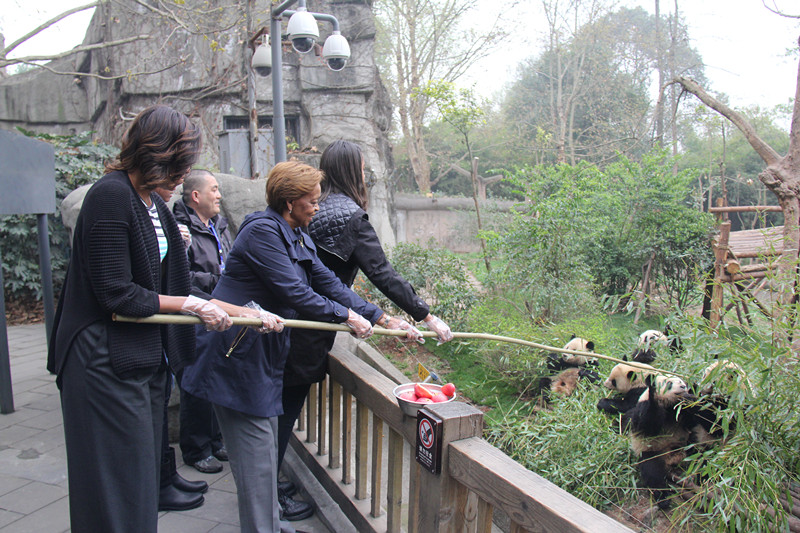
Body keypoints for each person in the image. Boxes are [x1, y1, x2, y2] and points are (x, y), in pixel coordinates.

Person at [47, 104, 279, 533]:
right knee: (114, 485)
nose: (182, 175)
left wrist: (241, 312)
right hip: (101, 359)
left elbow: (176, 286)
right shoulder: (111, 195)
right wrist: (193, 308)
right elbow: (117, 293)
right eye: (178, 165)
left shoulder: (153, 203)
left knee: (138, 483)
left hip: (139, 357)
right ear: (155, 153)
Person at [179, 160, 419, 533]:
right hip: (233, 357)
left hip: (260, 356)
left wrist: (381, 318)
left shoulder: (296, 233)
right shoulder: (262, 232)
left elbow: (329, 283)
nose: (318, 207)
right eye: (312, 201)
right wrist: (344, 317)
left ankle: (269, 525)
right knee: (258, 461)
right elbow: (294, 291)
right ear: (290, 202)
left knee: (261, 458)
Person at [276, 140, 453, 518]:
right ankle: (269, 497)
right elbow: (383, 274)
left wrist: (377, 317)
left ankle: (269, 482)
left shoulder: (318, 210)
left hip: (291, 318)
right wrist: (426, 315)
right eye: (362, 168)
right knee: (284, 411)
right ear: (354, 172)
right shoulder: (350, 216)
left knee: (277, 409)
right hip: (307, 329)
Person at [173, 170, 233, 474]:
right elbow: (177, 277)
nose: (219, 195)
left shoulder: (219, 226)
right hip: (193, 315)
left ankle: (214, 439)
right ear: (196, 196)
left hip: (220, 311)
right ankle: (196, 449)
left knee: (214, 377)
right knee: (194, 382)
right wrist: (218, 280)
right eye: (214, 189)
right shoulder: (180, 228)